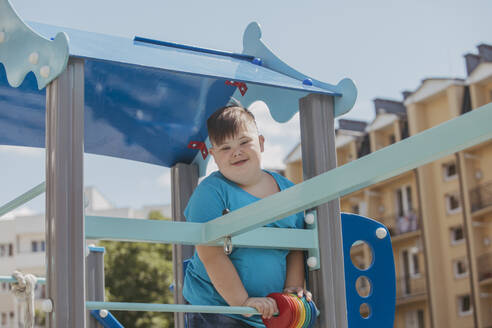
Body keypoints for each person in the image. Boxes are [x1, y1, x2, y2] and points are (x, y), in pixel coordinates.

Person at [183, 104, 312, 328]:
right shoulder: (212, 192)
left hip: (269, 311)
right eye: (225, 148)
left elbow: (295, 248)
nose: (237, 152)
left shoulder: (289, 192)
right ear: (213, 155)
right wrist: (241, 302)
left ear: (260, 143)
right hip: (217, 308)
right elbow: (211, 254)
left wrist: (292, 289)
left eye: (244, 142)